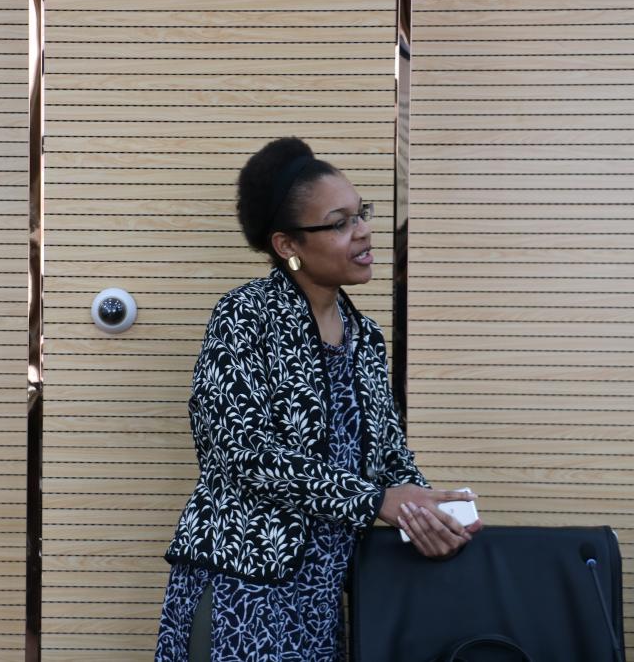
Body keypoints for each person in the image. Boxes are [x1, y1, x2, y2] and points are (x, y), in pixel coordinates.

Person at [154, 137, 483, 661]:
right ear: (288, 244)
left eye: (361, 214)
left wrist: (428, 512)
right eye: (339, 223)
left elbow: (389, 460)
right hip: (245, 586)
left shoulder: (365, 336)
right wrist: (375, 502)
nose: (363, 231)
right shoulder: (245, 316)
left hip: (326, 598)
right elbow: (244, 454)